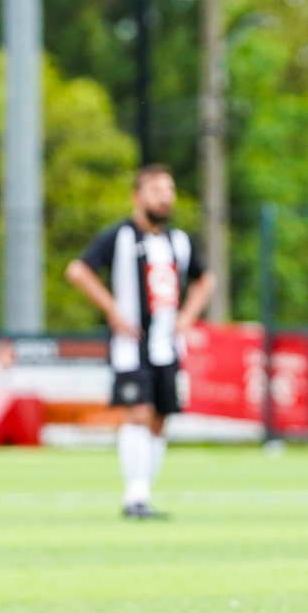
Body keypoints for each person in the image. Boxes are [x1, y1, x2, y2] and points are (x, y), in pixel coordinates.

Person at [64, 164, 215, 519]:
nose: (165, 198)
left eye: (170, 191)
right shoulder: (119, 236)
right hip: (132, 346)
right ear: (138, 197)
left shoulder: (178, 241)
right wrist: (113, 310)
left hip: (168, 346)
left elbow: (205, 279)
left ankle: (144, 492)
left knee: (161, 417)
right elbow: (78, 270)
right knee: (138, 412)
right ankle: (134, 495)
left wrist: (188, 315)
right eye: (157, 191)